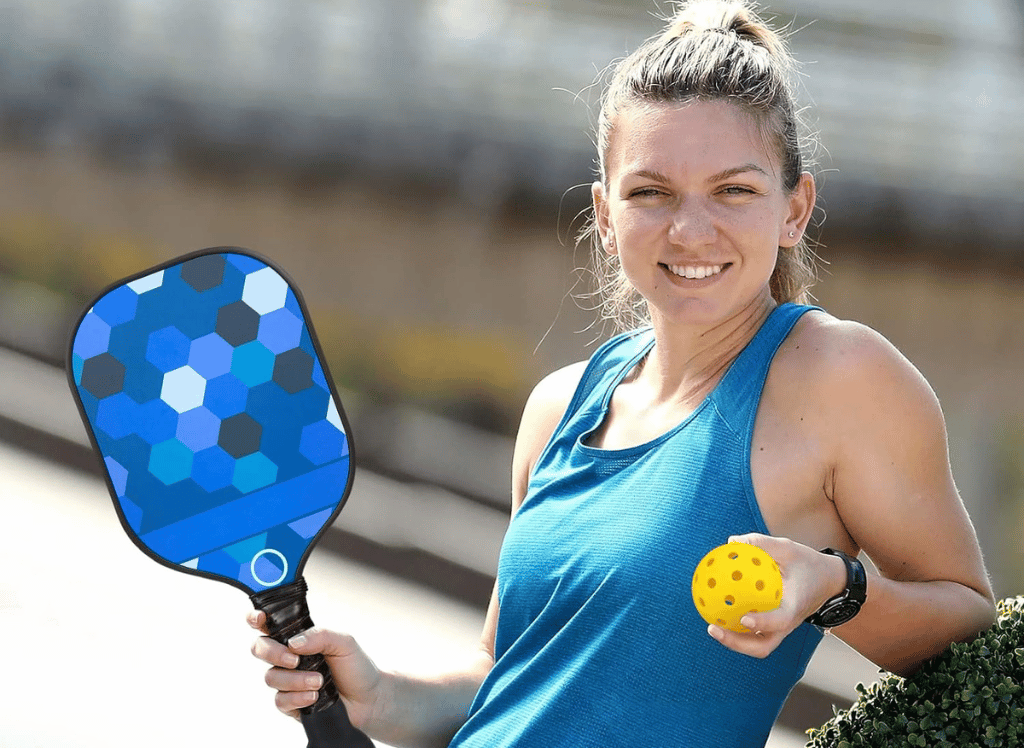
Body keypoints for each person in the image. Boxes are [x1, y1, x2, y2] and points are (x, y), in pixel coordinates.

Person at [248, 1, 997, 745]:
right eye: (651, 193)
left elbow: (967, 623)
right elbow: (508, 678)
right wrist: (379, 696)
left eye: (734, 190)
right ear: (606, 217)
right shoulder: (559, 405)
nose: (691, 230)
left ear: (795, 208)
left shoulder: (844, 378)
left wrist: (831, 586)